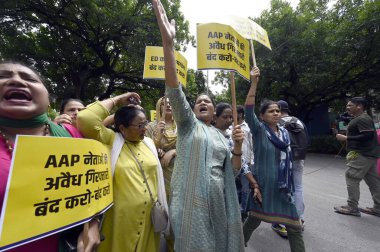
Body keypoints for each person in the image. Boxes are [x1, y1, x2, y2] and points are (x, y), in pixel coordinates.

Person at [153, 0, 245, 250]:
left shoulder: (221, 135)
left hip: (218, 203)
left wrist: (237, 146)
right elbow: (174, 90)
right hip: (191, 204)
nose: (202, 102)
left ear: (214, 111)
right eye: (198, 101)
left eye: (207, 101)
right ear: (192, 109)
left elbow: (234, 170)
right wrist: (168, 44)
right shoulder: (188, 125)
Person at [0, 61, 99, 252]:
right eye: (4, 76)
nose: (17, 81)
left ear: (48, 100)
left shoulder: (71, 134)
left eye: (29, 78)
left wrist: (92, 223)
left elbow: (93, 187)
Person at [77, 92, 169, 252]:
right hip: (119, 223)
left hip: (149, 221)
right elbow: (85, 119)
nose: (145, 128)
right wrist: (118, 101)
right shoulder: (111, 140)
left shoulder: (148, 144)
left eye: (145, 123)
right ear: (122, 128)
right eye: (139, 125)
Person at [243, 67, 305, 251]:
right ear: (262, 116)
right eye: (271, 111)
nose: (276, 113)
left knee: (295, 225)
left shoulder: (285, 133)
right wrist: (254, 83)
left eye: (278, 110)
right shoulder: (259, 130)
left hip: (283, 189)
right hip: (262, 187)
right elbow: (248, 109)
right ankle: (238, 244)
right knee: (253, 220)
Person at [334, 97, 380, 217]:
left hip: (363, 154)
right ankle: (378, 207)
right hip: (369, 154)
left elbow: (367, 136)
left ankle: (352, 207)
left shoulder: (363, 119)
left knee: (351, 176)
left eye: (350, 105)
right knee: (373, 181)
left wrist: (346, 138)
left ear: (359, 106)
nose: (347, 107)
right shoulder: (360, 118)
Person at [146, 96, 177, 252]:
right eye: (164, 104)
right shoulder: (151, 126)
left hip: (177, 174)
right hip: (157, 173)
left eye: (171, 103)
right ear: (159, 107)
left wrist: (173, 151)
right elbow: (145, 149)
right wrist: (156, 140)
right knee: (158, 211)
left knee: (175, 213)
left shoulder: (181, 127)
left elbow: (188, 146)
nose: (168, 106)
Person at [277, 100, 308, 232]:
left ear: (278, 109)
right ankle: (299, 218)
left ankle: (284, 222)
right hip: (299, 158)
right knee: (298, 188)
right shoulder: (298, 121)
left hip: (283, 159)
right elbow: (307, 140)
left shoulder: (276, 122)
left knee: (284, 188)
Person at [235, 105, 256, 222]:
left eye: (237, 113)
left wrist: (251, 160)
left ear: (242, 114)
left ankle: (244, 211)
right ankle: (236, 210)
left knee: (245, 188)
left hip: (246, 163)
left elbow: (251, 145)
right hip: (233, 162)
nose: (235, 115)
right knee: (234, 188)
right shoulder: (230, 127)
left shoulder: (247, 128)